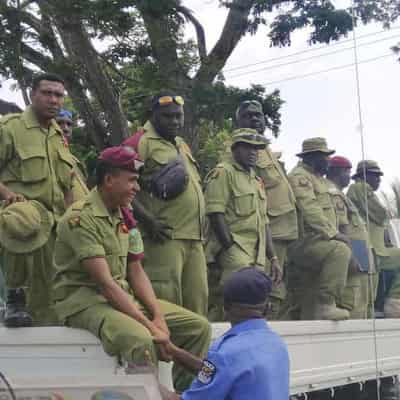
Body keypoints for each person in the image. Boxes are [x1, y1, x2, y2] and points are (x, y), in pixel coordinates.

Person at [52, 146, 211, 393]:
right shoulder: (81, 218)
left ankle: (185, 394)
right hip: (84, 301)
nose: (137, 188)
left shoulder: (125, 216)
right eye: (132, 181)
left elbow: (136, 271)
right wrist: (151, 328)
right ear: (109, 180)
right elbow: (105, 284)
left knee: (199, 327)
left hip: (122, 295)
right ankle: (153, 395)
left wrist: (157, 317)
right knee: (141, 339)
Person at [0, 73, 76, 326]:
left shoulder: (58, 134)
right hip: (23, 222)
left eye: (58, 95)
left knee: (52, 299)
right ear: (32, 94)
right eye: (47, 93)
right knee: (22, 218)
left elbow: (66, 184)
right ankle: (14, 296)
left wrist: (75, 218)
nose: (53, 100)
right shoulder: (11, 127)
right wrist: (8, 195)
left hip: (54, 224)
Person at [123, 92, 207, 316]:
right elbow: (117, 185)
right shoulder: (140, 142)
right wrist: (147, 220)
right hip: (164, 237)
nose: (175, 122)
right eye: (168, 116)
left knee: (197, 302)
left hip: (194, 238)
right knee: (166, 303)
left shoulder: (181, 145)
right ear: (153, 116)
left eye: (178, 116)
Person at [160, 267, 290, 400]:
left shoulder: (225, 353)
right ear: (267, 307)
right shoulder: (277, 345)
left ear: (225, 308)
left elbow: (221, 369)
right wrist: (174, 351)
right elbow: (219, 372)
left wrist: (149, 381)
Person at [204, 128, 281, 321]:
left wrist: (273, 258)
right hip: (234, 249)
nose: (253, 152)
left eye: (257, 148)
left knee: (253, 303)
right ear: (235, 149)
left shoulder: (256, 180)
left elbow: (264, 223)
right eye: (247, 147)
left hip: (257, 254)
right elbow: (215, 213)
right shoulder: (223, 172)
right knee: (232, 302)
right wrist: (229, 248)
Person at [235, 100, 298, 319]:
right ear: (238, 121)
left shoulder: (267, 151)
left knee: (281, 291)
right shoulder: (237, 150)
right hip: (267, 231)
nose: (254, 119)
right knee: (269, 292)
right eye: (248, 115)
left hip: (285, 231)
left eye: (258, 115)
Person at [288, 138, 352, 320]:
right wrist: (334, 235)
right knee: (340, 251)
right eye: (325, 157)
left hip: (320, 243)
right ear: (313, 157)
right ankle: (327, 304)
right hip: (305, 243)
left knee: (309, 302)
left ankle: (320, 310)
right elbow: (310, 210)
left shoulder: (321, 181)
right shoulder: (300, 177)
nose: (328, 161)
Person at [348, 160, 400, 317]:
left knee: (368, 295)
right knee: (364, 294)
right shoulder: (360, 187)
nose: (379, 179)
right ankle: (394, 303)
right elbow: (380, 213)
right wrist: (386, 214)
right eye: (375, 175)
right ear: (364, 176)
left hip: (375, 249)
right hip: (364, 247)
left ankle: (393, 302)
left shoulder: (360, 189)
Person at [326, 156, 374, 319]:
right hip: (351, 249)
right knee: (353, 299)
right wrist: (351, 253)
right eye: (347, 171)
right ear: (336, 172)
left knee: (363, 298)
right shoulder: (332, 193)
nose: (349, 176)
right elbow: (340, 228)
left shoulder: (341, 194)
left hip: (358, 248)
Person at [55, 108, 89, 200]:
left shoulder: (75, 160)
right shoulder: (47, 156)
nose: (65, 128)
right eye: (59, 123)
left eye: (69, 124)